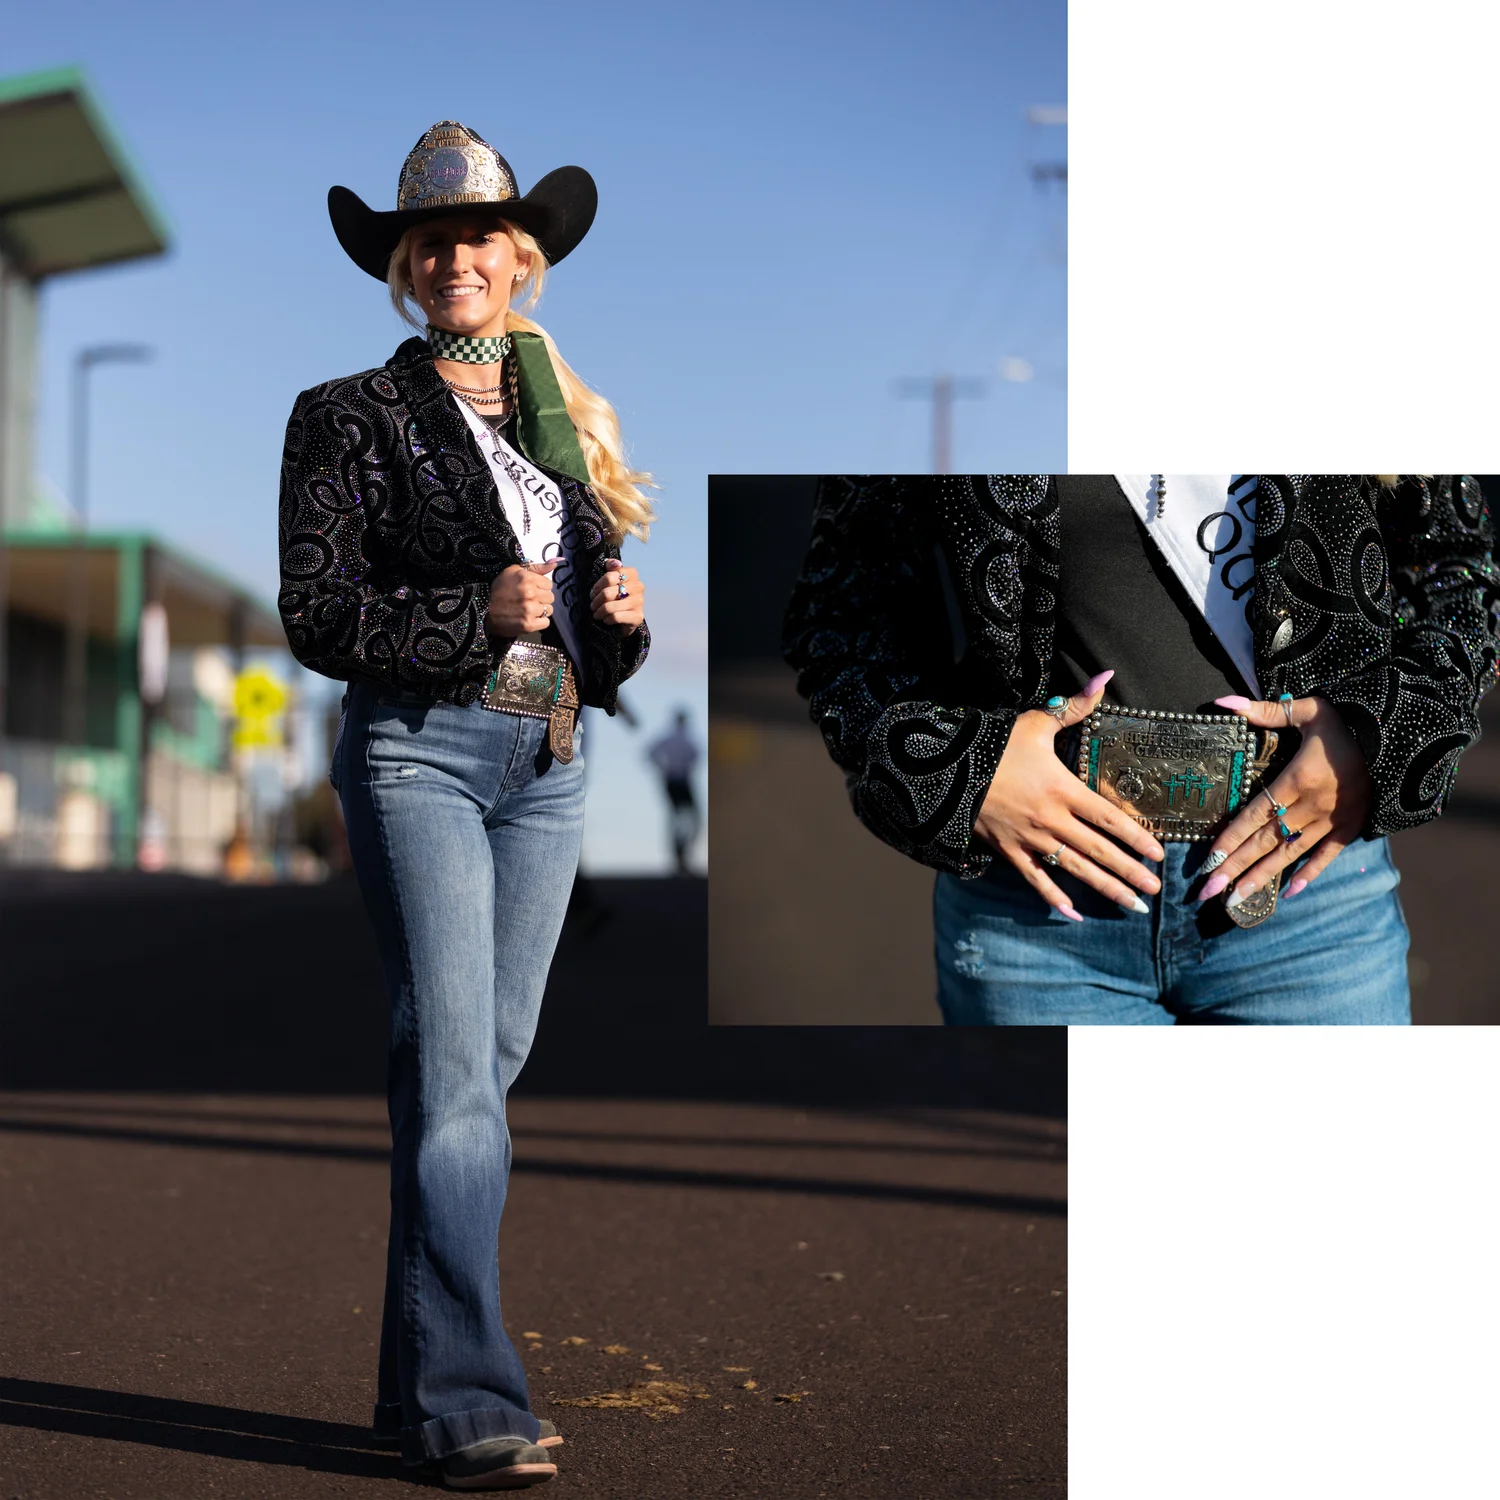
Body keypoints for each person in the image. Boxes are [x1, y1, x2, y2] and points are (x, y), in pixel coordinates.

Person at [278, 121, 652, 1489]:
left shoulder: (562, 424)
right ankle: (470, 1398)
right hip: (417, 754)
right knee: (453, 1089)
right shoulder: (345, 415)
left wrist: (617, 614)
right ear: (402, 267)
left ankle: (409, 1386)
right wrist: (467, 610)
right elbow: (317, 613)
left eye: (478, 237)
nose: (454, 259)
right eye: (425, 241)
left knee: (477, 1078)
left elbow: (592, 646)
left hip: (547, 765)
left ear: (520, 258)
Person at [783, 475, 1500, 1025]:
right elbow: (844, 605)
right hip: (1037, 915)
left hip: (1307, 903)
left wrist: (1379, 737)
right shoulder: (971, 349)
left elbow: (1467, 577)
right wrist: (963, 771)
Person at [647, 708, 702, 872]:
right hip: (680, 781)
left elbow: (652, 752)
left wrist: (662, 768)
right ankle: (681, 856)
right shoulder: (682, 739)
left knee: (679, 819)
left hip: (673, 780)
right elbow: (697, 755)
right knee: (687, 819)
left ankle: (681, 855)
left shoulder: (672, 738)